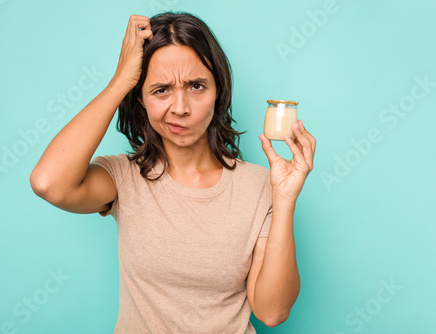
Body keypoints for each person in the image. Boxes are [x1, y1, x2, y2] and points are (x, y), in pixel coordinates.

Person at [30, 11, 316, 333]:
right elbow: (48, 183)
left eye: (196, 86)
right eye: (161, 90)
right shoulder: (123, 177)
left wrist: (286, 199)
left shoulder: (259, 184)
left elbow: (272, 312)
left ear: (218, 92)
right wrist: (121, 81)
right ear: (140, 99)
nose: (180, 107)